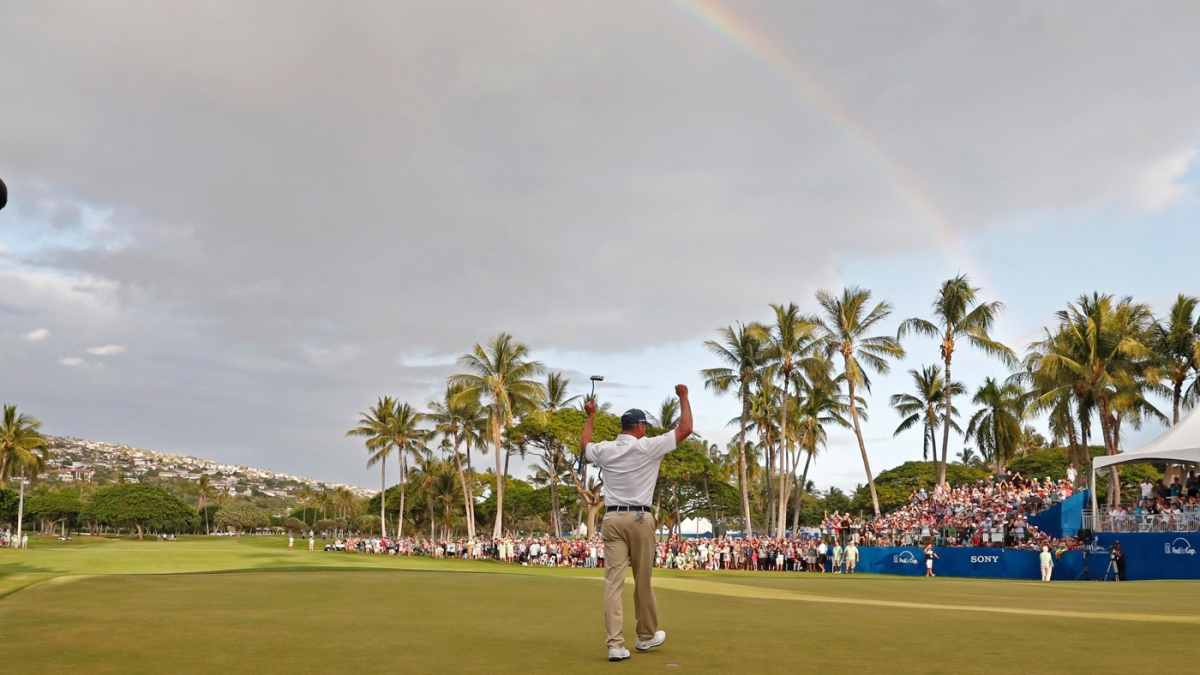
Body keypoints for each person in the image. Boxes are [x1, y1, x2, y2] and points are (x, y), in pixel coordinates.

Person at [582, 384, 692, 662]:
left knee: (613, 584)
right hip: (640, 518)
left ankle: (615, 645)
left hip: (612, 518)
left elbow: (585, 446)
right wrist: (683, 396)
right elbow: (685, 428)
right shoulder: (648, 446)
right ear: (640, 427)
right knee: (642, 580)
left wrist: (591, 416)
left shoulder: (605, 449)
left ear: (623, 427)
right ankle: (645, 637)